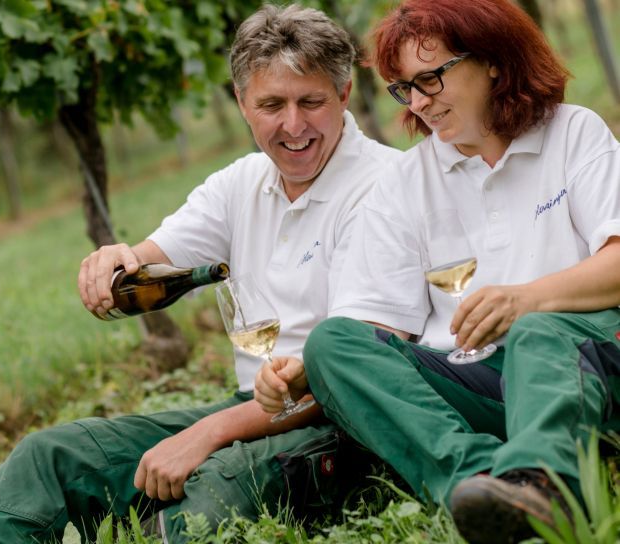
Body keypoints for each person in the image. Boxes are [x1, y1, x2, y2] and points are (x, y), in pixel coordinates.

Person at [0, 4, 401, 543]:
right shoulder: (241, 183)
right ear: (241, 103)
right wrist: (117, 259)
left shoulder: (385, 188)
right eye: (271, 104)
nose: (293, 125)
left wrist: (207, 433)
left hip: (342, 422)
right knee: (50, 457)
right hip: (253, 410)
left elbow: (354, 371)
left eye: (312, 102)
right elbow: (153, 258)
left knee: (212, 490)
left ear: (344, 96)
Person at [254, 1, 620, 543]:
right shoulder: (407, 183)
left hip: (583, 363)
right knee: (330, 343)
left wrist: (527, 300)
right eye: (406, 88)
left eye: (432, 79)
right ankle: (482, 482)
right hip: (479, 382)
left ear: (492, 61)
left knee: (538, 333)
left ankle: (544, 481)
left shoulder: (571, 134)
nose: (420, 102)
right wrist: (304, 371)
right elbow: (372, 330)